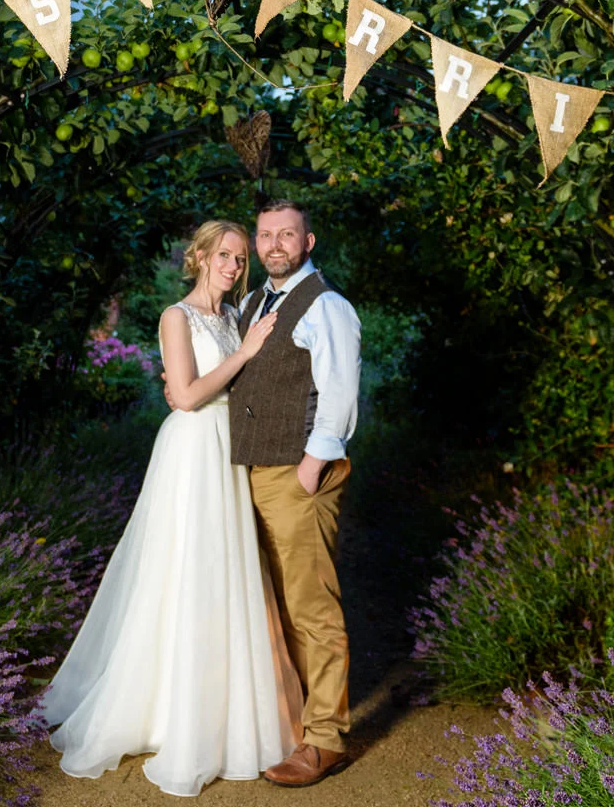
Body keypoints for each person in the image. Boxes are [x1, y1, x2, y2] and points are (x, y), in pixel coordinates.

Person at [41, 220, 303, 798]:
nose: (235, 266)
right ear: (202, 256)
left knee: (225, 574)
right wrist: (247, 354)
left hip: (228, 449)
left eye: (241, 258)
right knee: (185, 569)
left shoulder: (234, 318)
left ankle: (224, 709)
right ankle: (165, 713)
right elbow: (185, 395)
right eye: (226, 255)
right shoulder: (175, 317)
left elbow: (228, 387)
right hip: (192, 452)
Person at [228, 199, 361, 788]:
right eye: (265, 236)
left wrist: (312, 465)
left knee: (312, 608)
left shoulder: (326, 305)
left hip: (296, 473)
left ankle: (326, 740)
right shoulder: (256, 303)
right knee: (273, 607)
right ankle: (292, 720)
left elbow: (339, 390)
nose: (274, 244)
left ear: (309, 242)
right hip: (249, 473)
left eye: (287, 235)